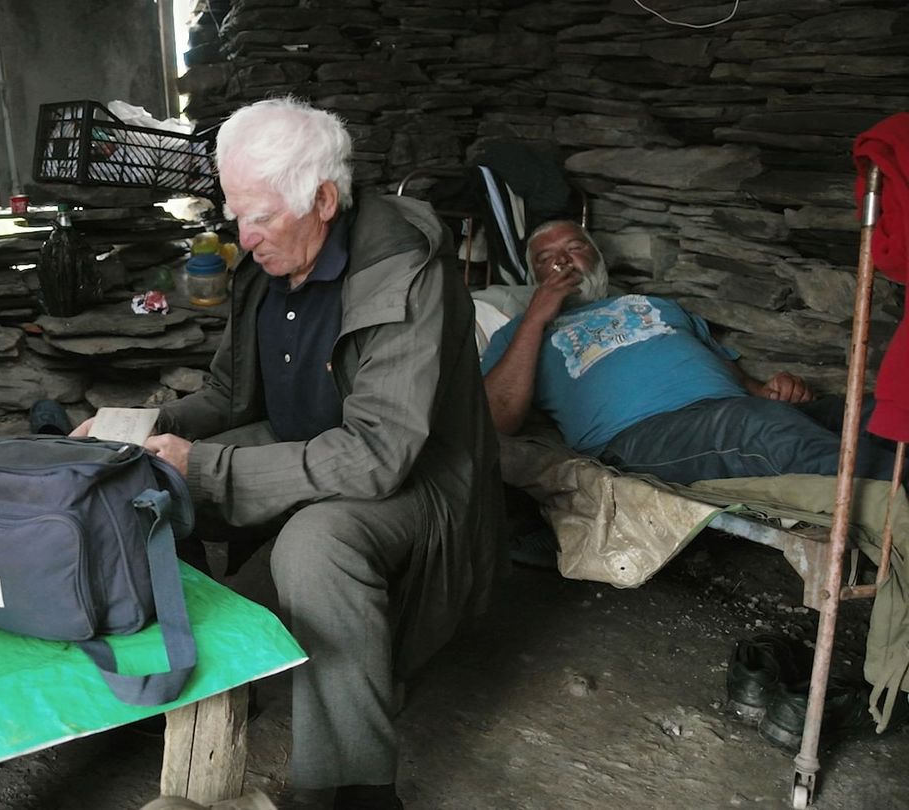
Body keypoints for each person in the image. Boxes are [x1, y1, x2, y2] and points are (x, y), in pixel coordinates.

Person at [74, 98, 503, 810]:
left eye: (262, 216)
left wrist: (204, 467)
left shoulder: (403, 272)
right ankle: (176, 676)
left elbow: (378, 455)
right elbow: (229, 394)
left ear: (324, 199)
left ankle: (351, 786)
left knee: (313, 545)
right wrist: (132, 429)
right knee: (140, 473)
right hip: (308, 445)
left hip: (421, 479)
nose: (245, 236)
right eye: (236, 214)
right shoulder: (268, 263)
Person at [481, 219, 899, 484]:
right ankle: (894, 497)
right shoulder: (521, 332)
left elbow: (725, 369)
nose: (562, 262)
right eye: (545, 258)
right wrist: (536, 317)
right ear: (532, 274)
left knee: (868, 413)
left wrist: (771, 390)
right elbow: (498, 419)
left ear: (596, 257)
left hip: (732, 406)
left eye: (574, 247)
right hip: (641, 435)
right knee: (757, 427)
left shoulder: (657, 306)